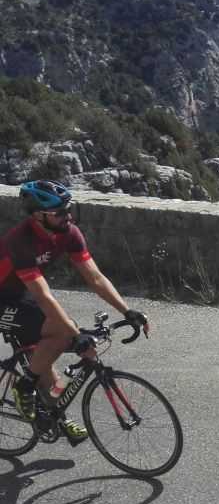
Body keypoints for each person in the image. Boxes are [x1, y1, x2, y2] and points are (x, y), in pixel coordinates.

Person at [0, 180, 150, 444]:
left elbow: (95, 278)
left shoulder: (68, 233)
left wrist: (127, 311)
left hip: (20, 294)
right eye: (59, 212)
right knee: (62, 332)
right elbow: (43, 295)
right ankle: (23, 388)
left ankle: (54, 414)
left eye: (68, 209)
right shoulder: (20, 240)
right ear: (38, 215)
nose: (67, 216)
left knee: (47, 351)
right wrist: (75, 335)